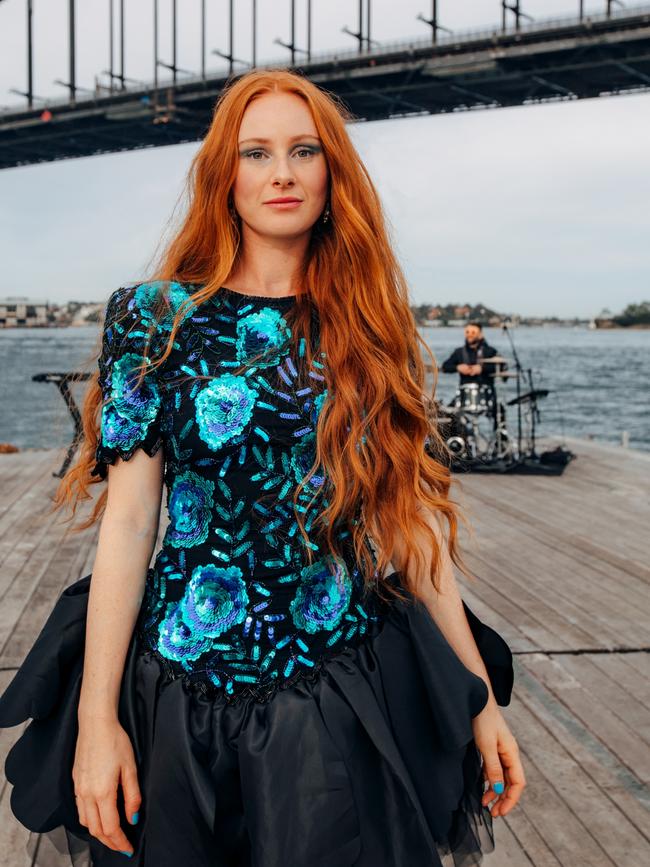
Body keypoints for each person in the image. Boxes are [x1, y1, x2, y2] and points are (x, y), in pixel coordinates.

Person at [0, 69, 525, 867]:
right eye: (256, 153)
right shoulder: (151, 319)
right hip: (177, 699)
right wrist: (99, 720)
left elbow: (408, 522)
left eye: (303, 151)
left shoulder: (367, 328)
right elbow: (131, 520)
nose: (281, 172)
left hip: (338, 698)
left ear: (330, 172)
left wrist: (480, 699)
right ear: (226, 176)